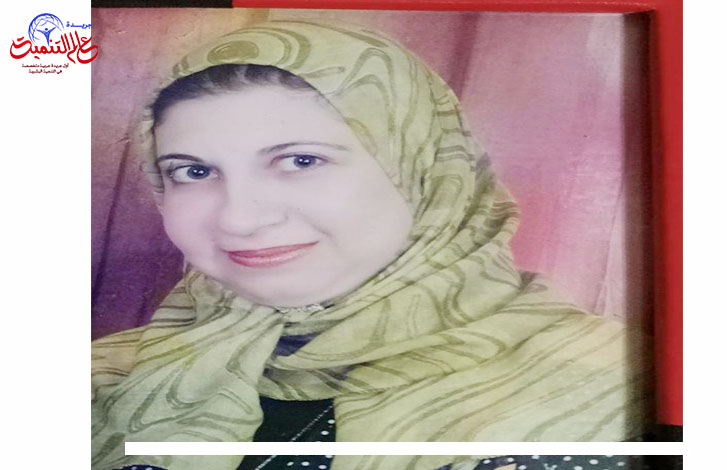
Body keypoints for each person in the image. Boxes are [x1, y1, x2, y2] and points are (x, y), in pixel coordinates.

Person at [92, 19, 650, 470]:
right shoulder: (103, 377)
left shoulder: (623, 388)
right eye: (192, 172)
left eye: (301, 161)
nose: (239, 218)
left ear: (425, 170)